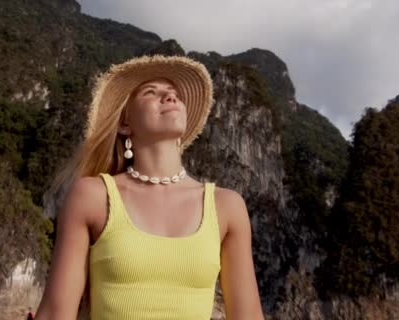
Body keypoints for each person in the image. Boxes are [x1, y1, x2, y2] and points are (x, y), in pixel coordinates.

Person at [35, 55, 265, 319]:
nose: (170, 98)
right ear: (124, 123)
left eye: (174, 94)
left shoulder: (227, 206)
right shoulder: (93, 196)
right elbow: (55, 312)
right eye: (151, 92)